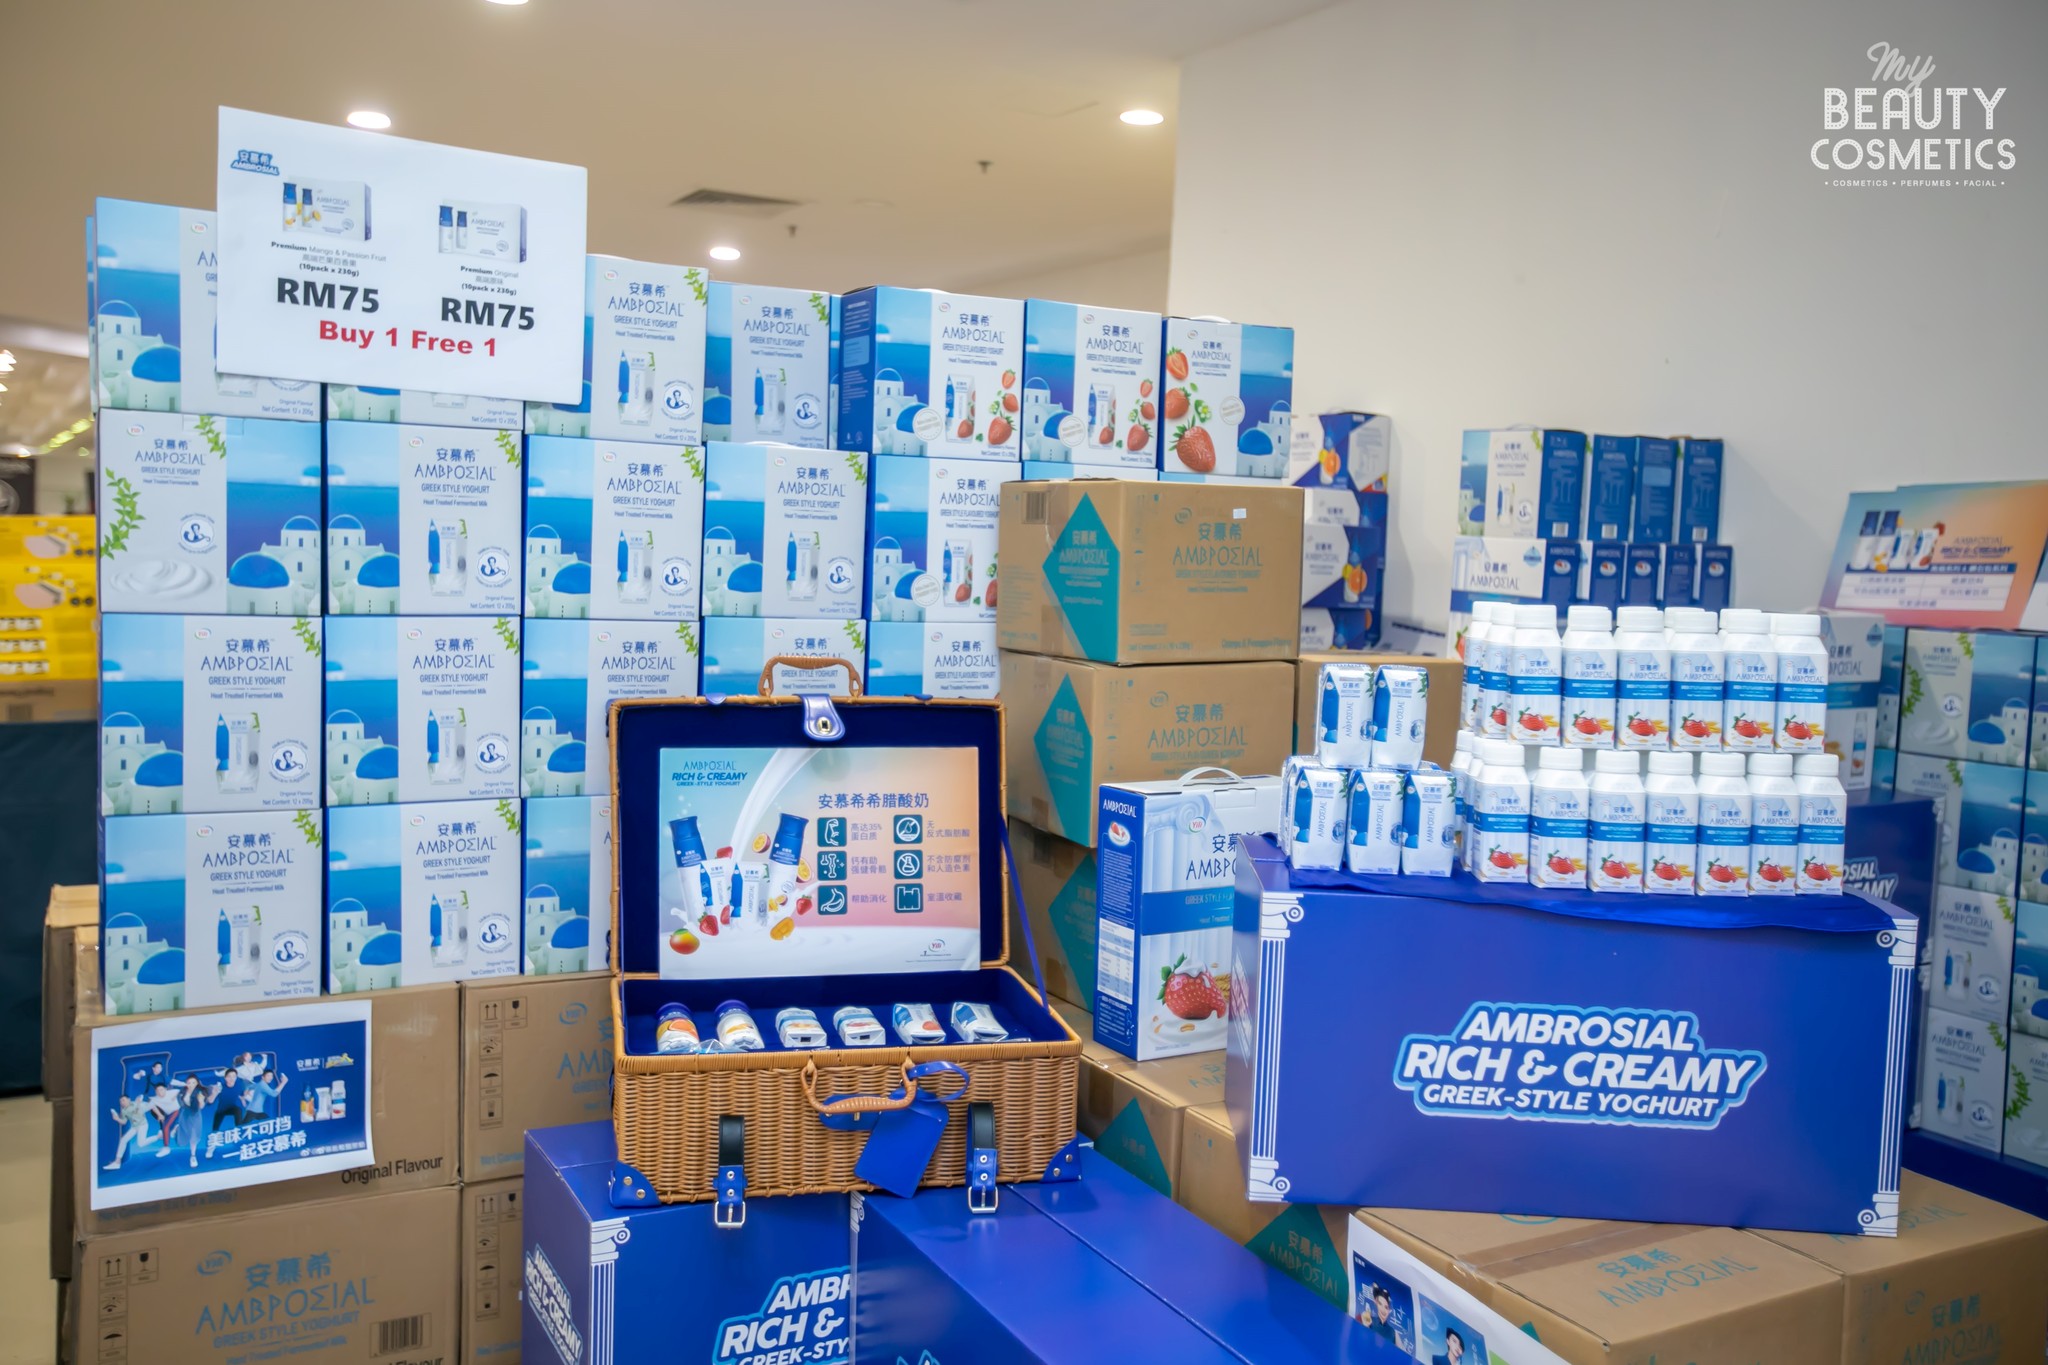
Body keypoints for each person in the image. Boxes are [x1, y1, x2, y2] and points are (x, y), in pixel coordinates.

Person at [173, 1074, 219, 1168]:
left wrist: (201, 1101)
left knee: (194, 1136)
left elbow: (201, 1107)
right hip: (185, 1115)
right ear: (186, 1083)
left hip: (195, 1116)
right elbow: (181, 1104)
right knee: (182, 1140)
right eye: (189, 1083)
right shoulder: (182, 1091)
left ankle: (193, 1156)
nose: (191, 1084)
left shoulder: (200, 1092)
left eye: (193, 1082)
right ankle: (177, 1129)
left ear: (197, 1083)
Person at [103, 1092, 155, 1170]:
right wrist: (117, 1119)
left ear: (129, 1100)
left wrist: (139, 1101)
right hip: (134, 1127)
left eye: (123, 1100)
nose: (122, 1102)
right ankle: (117, 1162)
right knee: (123, 1140)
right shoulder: (124, 1111)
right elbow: (124, 1122)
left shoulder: (136, 1103)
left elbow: (144, 1105)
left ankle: (158, 1136)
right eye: (120, 1101)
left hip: (143, 1125)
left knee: (141, 1144)